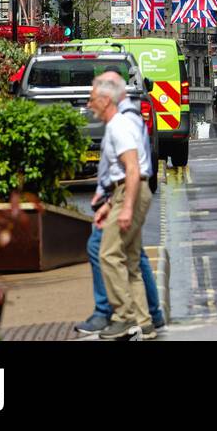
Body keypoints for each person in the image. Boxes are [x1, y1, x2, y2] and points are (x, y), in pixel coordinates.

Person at [75, 72, 166, 338]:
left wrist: (125, 208)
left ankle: (124, 317)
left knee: (108, 253)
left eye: (92, 99)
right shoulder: (120, 123)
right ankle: (144, 321)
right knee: (133, 261)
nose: (89, 105)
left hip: (131, 191)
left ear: (105, 99)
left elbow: (133, 169)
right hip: (126, 192)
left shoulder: (119, 125)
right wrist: (109, 204)